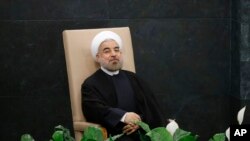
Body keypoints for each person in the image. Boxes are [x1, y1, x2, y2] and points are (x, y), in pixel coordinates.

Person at [81, 30, 165, 140]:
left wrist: (138, 121)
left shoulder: (134, 78)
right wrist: (124, 117)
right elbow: (94, 110)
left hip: (141, 132)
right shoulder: (91, 84)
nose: (114, 54)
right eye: (107, 51)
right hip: (115, 134)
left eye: (117, 50)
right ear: (98, 57)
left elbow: (150, 108)